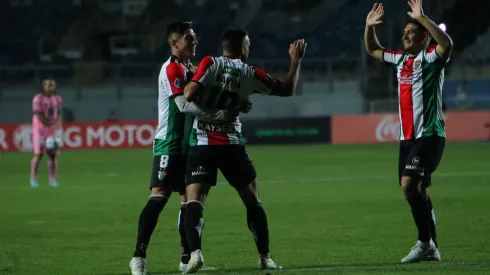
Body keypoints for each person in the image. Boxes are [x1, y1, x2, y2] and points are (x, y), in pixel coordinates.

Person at [179, 27, 306, 273]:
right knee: (252, 200)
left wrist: (207, 92)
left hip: (203, 140)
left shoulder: (210, 62)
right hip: (231, 143)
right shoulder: (250, 73)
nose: (249, 49)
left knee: (195, 199)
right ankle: (264, 257)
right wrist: (295, 60)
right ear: (241, 47)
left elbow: (189, 93)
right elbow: (286, 89)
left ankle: (194, 255)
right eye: (248, 45)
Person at [129, 21, 247, 275]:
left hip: (191, 143)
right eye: (189, 39)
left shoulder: (187, 68)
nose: (194, 43)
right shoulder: (171, 69)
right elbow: (183, 106)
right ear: (175, 43)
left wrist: (234, 100)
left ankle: (186, 259)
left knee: (189, 202)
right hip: (169, 143)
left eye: (194, 38)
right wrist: (222, 111)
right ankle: (138, 257)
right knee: (159, 197)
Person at [364, 0, 453, 263]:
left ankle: (424, 243)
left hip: (430, 135)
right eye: (404, 32)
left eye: (411, 32)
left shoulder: (431, 58)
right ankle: (431, 246)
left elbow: (446, 44)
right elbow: (372, 49)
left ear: (425, 37)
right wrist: (369, 26)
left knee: (409, 185)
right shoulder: (400, 60)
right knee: (420, 191)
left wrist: (423, 18)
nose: (405, 35)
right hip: (407, 138)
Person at [30, 78, 63, 188]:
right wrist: (49, 125)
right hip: (40, 129)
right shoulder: (38, 98)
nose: (51, 88)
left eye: (53, 85)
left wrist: (57, 123)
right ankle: (34, 179)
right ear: (44, 87)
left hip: (51, 129)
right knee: (39, 154)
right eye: (49, 86)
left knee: (52, 154)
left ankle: (52, 179)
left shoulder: (57, 99)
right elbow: (38, 114)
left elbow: (58, 112)